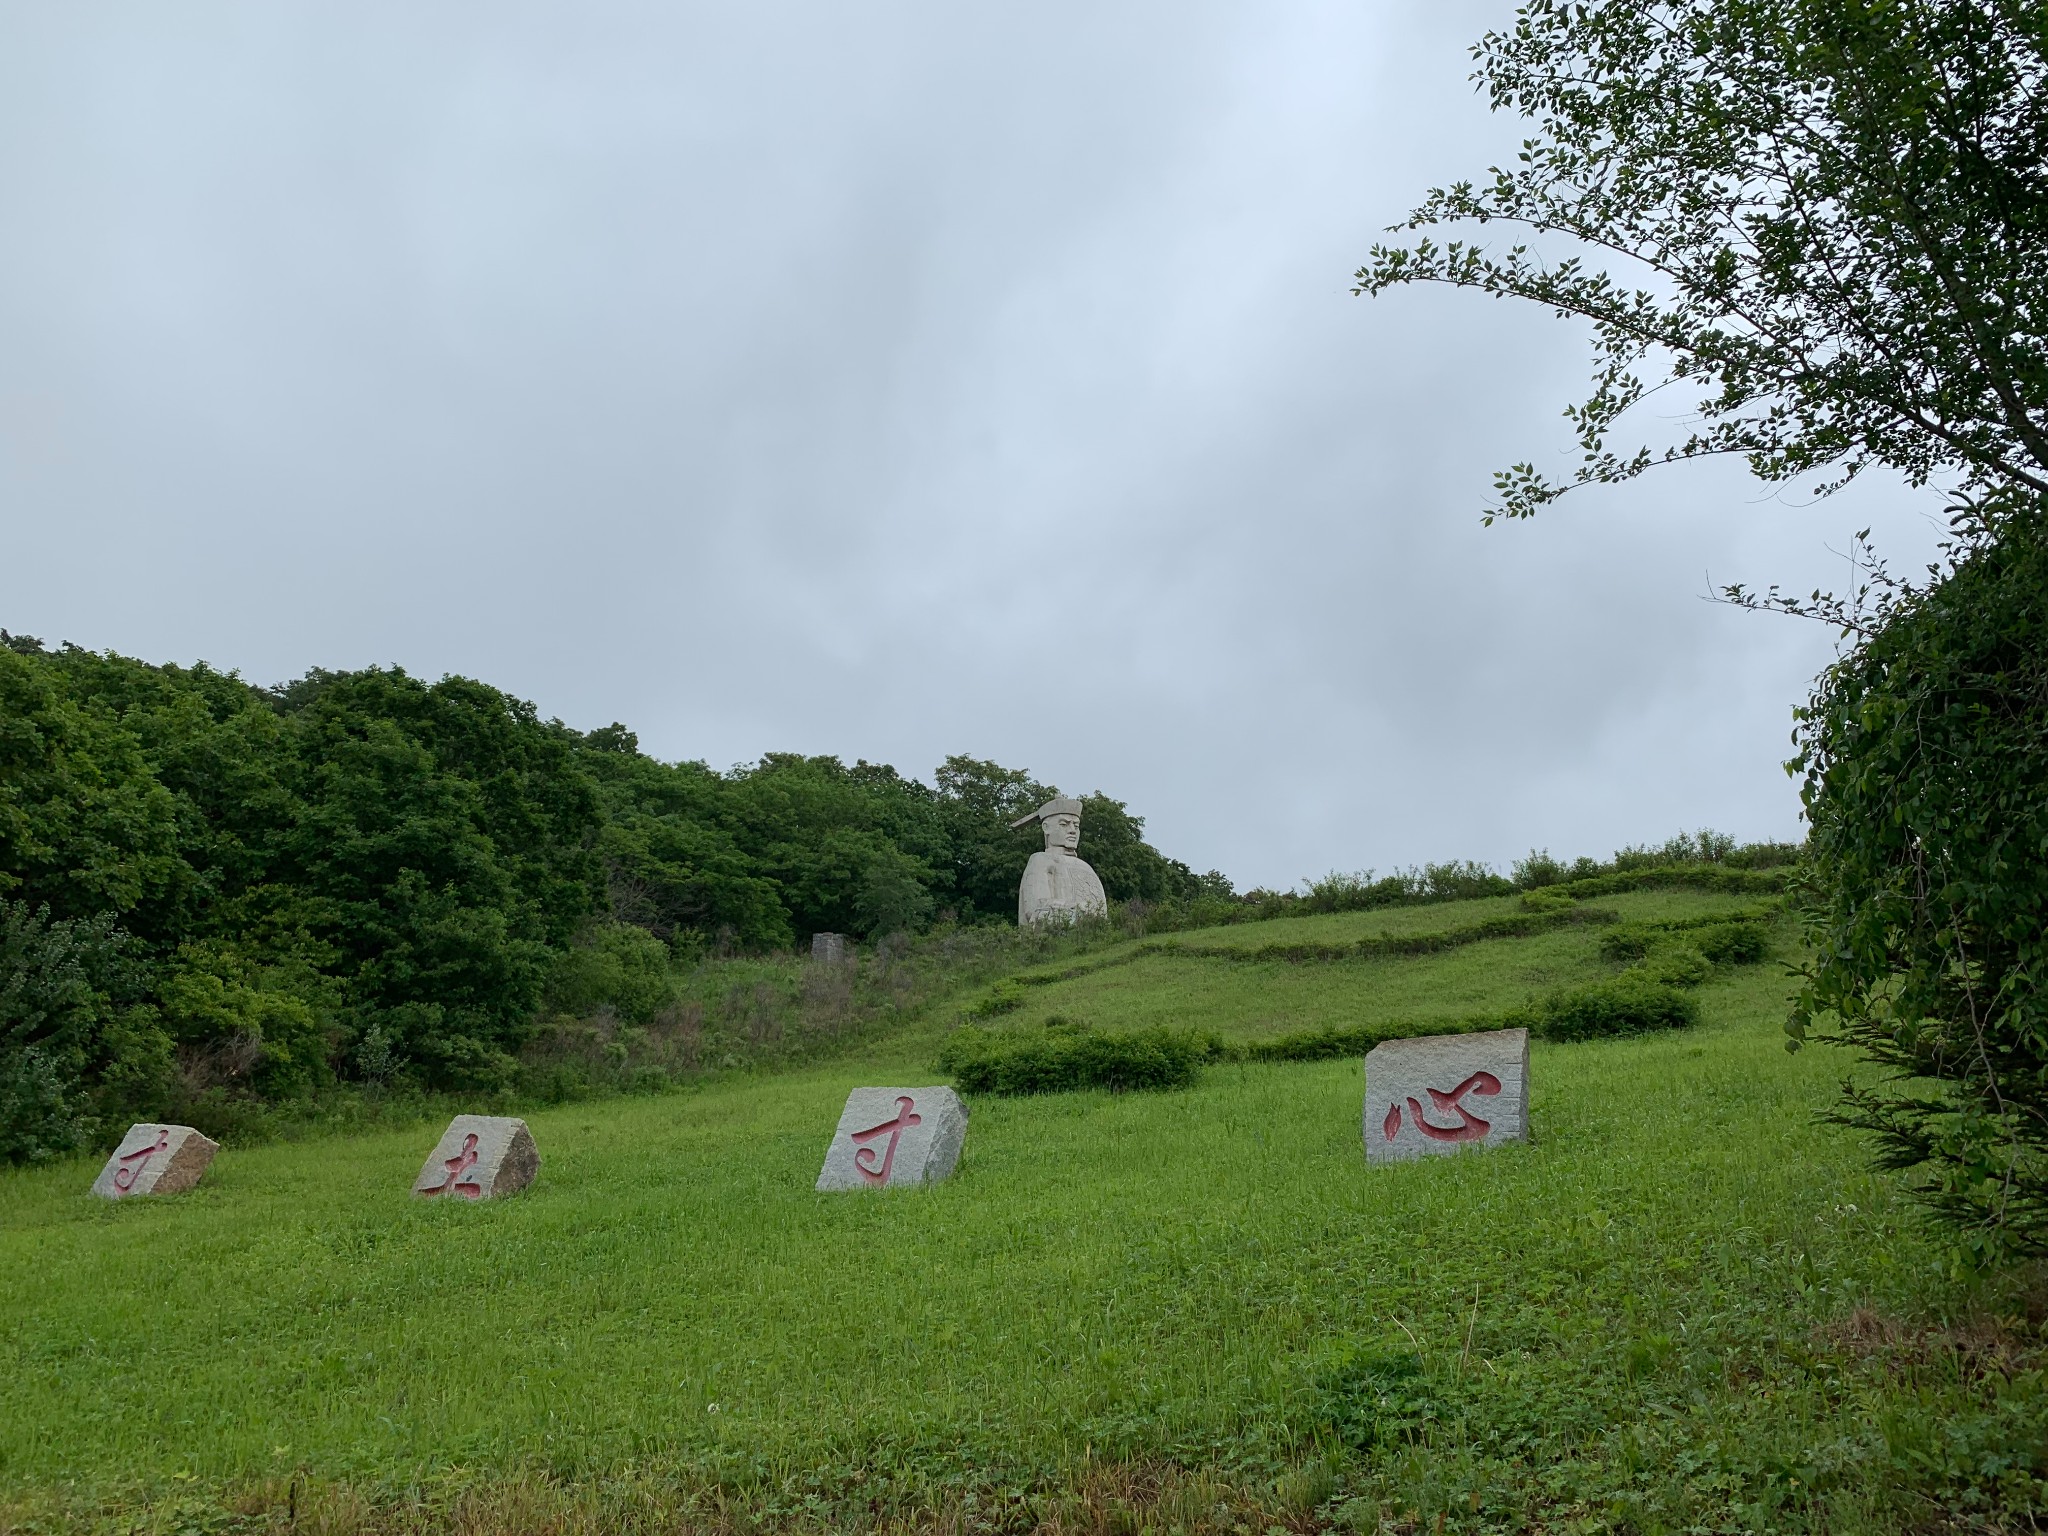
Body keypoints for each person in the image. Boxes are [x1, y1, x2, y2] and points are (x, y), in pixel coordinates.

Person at [1010, 796, 1108, 926]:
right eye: (1064, 824)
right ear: (1046, 827)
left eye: (1076, 825)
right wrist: (1077, 909)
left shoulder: (1087, 867)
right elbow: (1035, 909)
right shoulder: (1040, 860)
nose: (1072, 830)